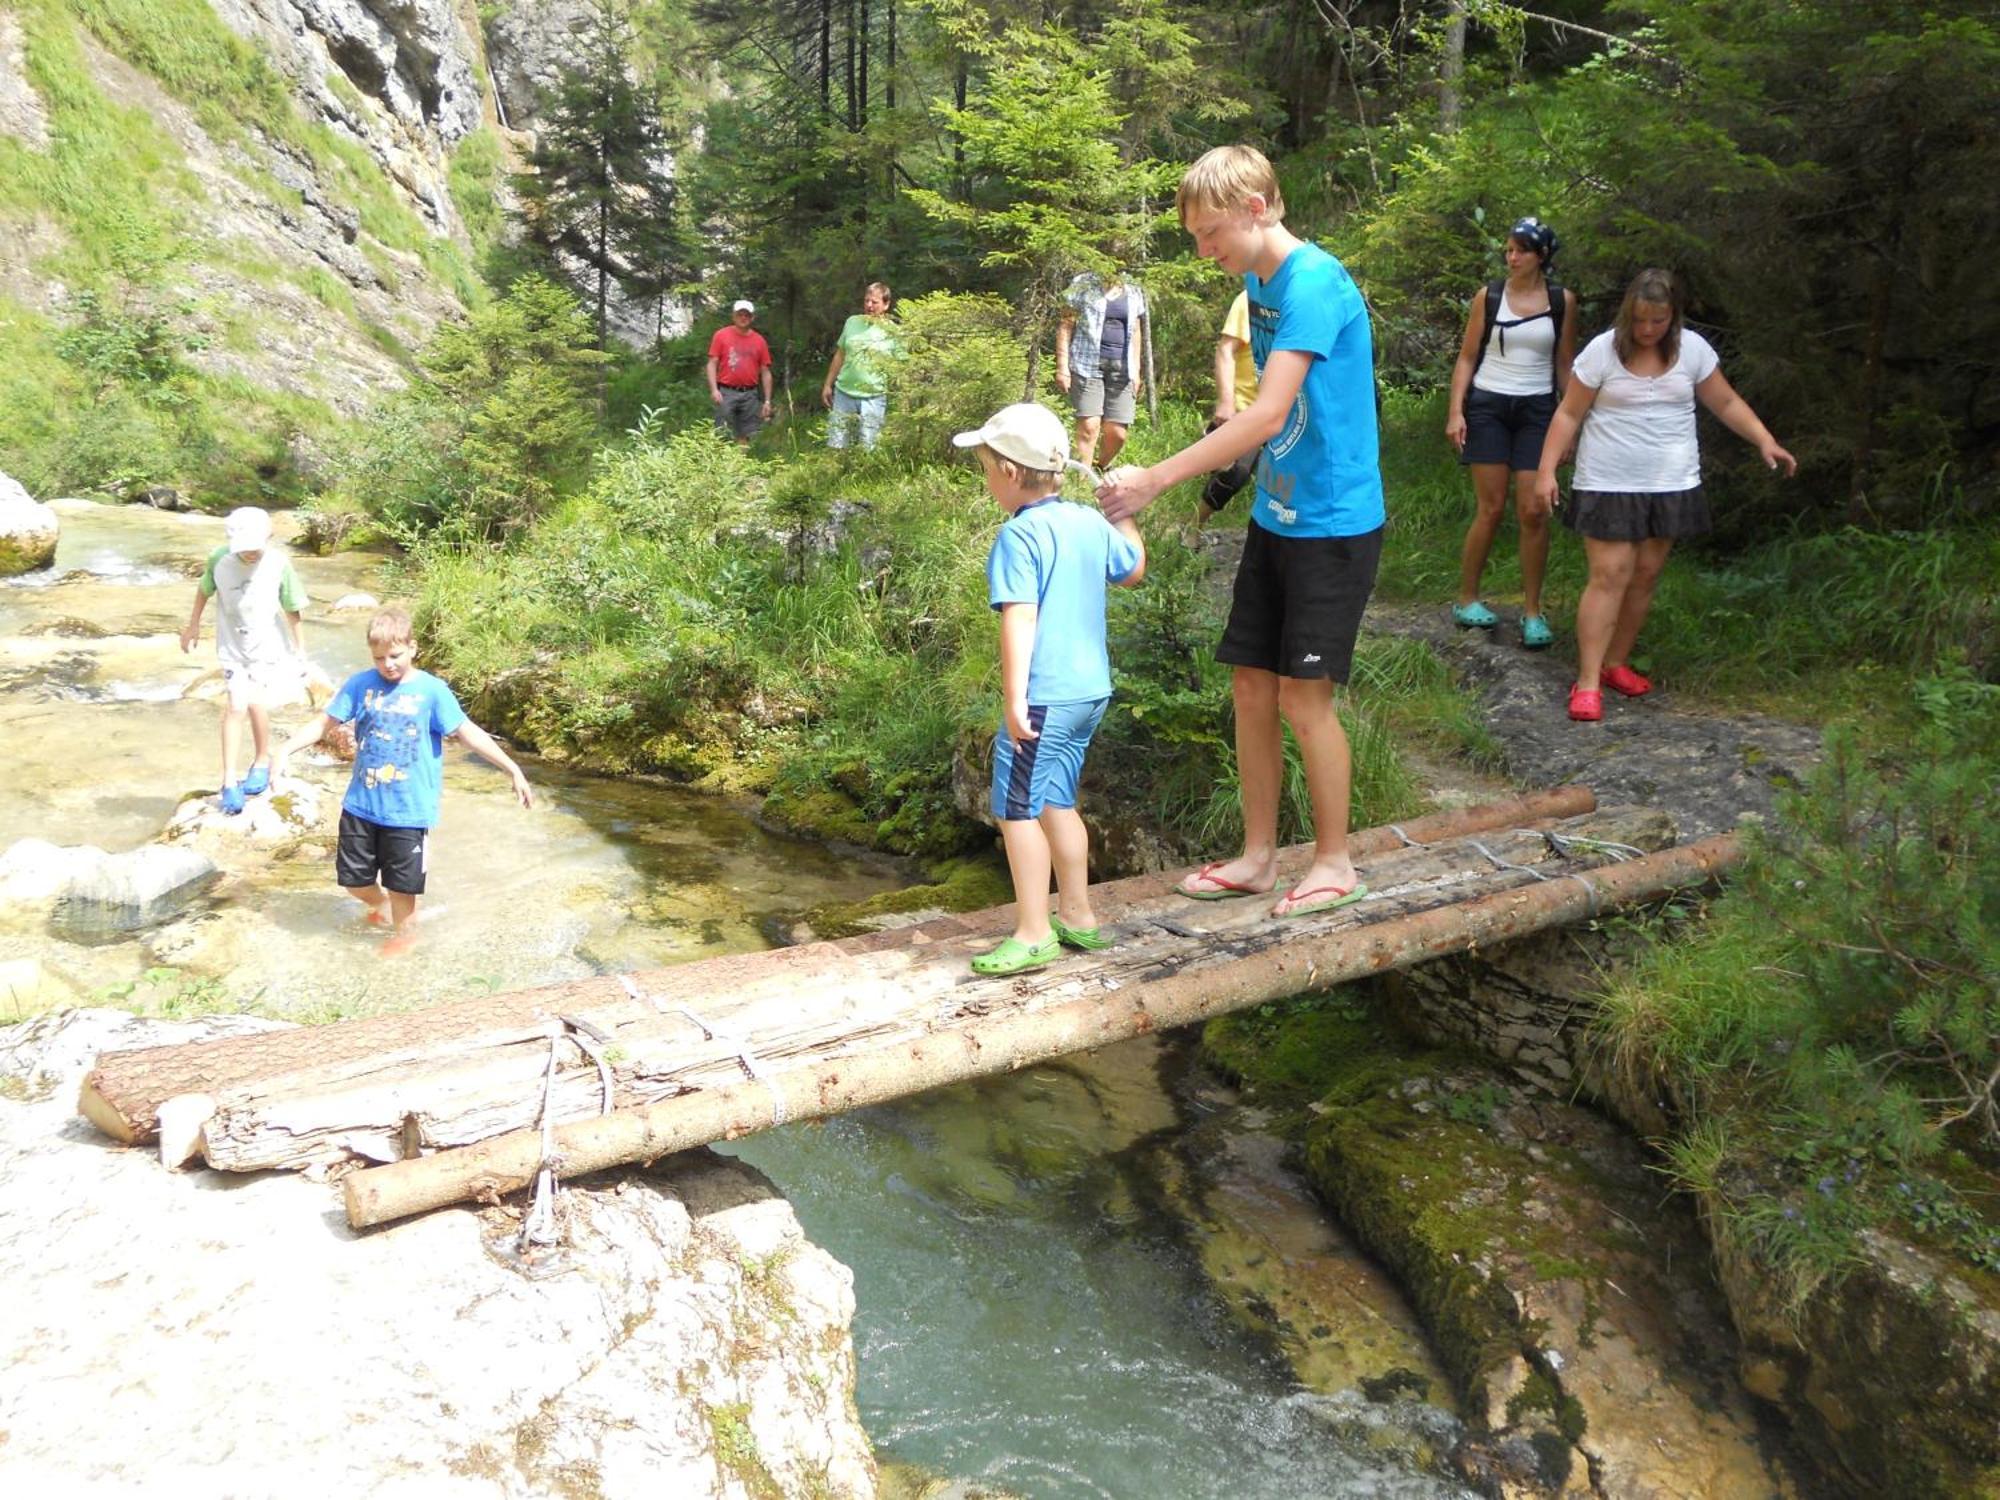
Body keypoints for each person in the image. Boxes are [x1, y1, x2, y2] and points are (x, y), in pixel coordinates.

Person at [1099, 145, 1383, 918]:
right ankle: (1259, 857)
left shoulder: (1315, 284)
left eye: (1210, 231)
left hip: (1333, 521)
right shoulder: (1257, 281)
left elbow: (1265, 412)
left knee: (1305, 699)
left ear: (1258, 206)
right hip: (1279, 515)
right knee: (1252, 685)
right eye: (1194, 235)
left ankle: (1334, 860)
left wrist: (1156, 479)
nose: (1203, 249)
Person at [1535, 268, 1795, 722]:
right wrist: (1545, 471)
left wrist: (1764, 439)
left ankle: (1616, 663)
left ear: (1672, 318)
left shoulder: (1693, 350)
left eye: (1657, 321)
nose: (1647, 330)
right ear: (1627, 315)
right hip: (1609, 481)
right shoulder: (1602, 352)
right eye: (1640, 321)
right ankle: (1589, 680)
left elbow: (1726, 402)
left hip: (1671, 482)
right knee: (1610, 574)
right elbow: (1568, 414)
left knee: (1646, 574)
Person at [953, 402, 1145, 977]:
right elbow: (1132, 567)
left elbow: (1020, 617)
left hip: (1044, 696)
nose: (988, 481)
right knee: (1058, 799)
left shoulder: (1020, 536)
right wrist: (1122, 510)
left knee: (1016, 812)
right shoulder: (1089, 521)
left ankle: (1034, 931)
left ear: (1011, 473)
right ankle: (1079, 917)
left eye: (988, 469)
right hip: (1089, 693)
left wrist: (1014, 699)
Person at [272, 606, 533, 952]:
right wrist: (283, 751)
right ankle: (379, 906)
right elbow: (324, 724)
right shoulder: (361, 685)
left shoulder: (432, 691)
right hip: (361, 806)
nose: (388, 664)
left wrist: (511, 768)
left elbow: (468, 733)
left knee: (403, 888)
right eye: (379, 658)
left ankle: (405, 937)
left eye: (395, 655)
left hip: (409, 811)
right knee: (354, 882)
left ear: (413, 647)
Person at [1445, 216, 1577, 650]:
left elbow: (1564, 364)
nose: (1511, 256)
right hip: (1488, 405)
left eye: (1520, 250)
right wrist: (1456, 412)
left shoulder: (1561, 301)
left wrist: (1570, 422)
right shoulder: (1490, 297)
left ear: (1541, 257)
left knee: (1534, 509)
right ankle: (1467, 599)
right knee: (1490, 506)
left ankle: (1533, 612)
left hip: (1537, 409)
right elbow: (1466, 357)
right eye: (1508, 249)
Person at [179, 506, 309, 815]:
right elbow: (204, 589)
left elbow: (292, 608)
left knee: (255, 704)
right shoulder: (220, 559)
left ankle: (261, 760)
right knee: (236, 705)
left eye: (255, 547)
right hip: (232, 646)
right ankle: (228, 781)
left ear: (269, 536)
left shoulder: (279, 563)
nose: (250, 554)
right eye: (244, 548)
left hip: (266, 647)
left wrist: (301, 650)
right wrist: (193, 625)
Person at [1055, 268, 1149, 469]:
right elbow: (1066, 325)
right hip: (1087, 365)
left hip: (1123, 370)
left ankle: (1100, 467)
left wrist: (1137, 370)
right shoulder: (1082, 283)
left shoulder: (1132, 286)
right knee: (1089, 427)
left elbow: (1136, 330)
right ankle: (1083, 479)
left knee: (1118, 433)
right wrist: (1062, 368)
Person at [1192, 289, 1260, 530]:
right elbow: (1225, 349)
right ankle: (1193, 527)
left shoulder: (1300, 300)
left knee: (1285, 483)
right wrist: (1226, 402)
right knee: (1236, 473)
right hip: (1246, 408)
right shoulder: (1249, 299)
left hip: (1285, 410)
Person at [820, 281, 899, 451]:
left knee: (868, 447)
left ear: (886, 305)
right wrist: (828, 384)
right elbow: (840, 354)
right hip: (844, 393)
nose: (869, 305)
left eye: (874, 302)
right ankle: (836, 476)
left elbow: (901, 365)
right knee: (837, 445)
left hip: (874, 396)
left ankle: (865, 477)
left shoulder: (894, 332)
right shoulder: (852, 322)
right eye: (866, 301)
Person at [707, 299, 773, 444]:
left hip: (750, 394)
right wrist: (714, 389)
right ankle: (720, 462)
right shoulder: (721, 335)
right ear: (733, 316)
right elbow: (712, 363)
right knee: (721, 431)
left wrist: (767, 400)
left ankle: (742, 462)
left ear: (752, 317)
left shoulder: (759, 341)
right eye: (740, 314)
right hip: (726, 392)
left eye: (746, 315)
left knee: (748, 433)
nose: (743, 318)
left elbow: (765, 371)